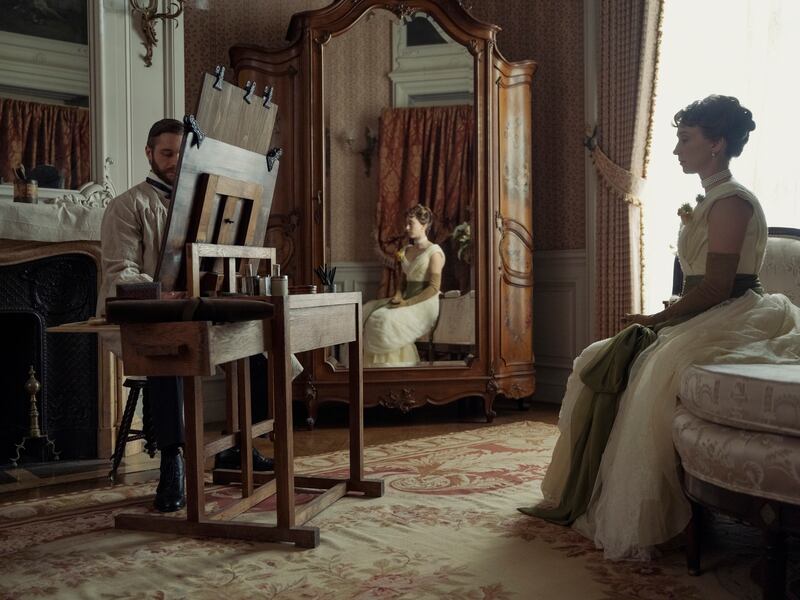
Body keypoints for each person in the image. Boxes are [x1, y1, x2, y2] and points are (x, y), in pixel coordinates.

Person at [519, 95, 800, 560]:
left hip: (734, 310)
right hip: (710, 309)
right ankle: (587, 489)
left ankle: (645, 510)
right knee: (597, 358)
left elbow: (717, 287)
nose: (676, 150)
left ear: (717, 144)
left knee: (647, 368)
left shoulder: (731, 202)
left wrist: (656, 320)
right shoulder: (711, 198)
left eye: (685, 139)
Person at [98, 118, 275, 513]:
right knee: (168, 353)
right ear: (149, 153)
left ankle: (238, 446)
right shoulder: (127, 205)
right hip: (149, 315)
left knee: (256, 343)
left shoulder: (206, 203)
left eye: (181, 154)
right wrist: (164, 294)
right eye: (166, 153)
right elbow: (119, 272)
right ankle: (172, 461)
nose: (175, 161)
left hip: (198, 310)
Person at [363, 204, 445, 366]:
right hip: (406, 298)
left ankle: (395, 367)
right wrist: (398, 296)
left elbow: (434, 288)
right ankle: (374, 369)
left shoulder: (434, 252)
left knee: (385, 320)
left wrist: (407, 303)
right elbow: (402, 282)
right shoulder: (407, 250)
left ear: (424, 225)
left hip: (424, 303)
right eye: (406, 223)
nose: (406, 228)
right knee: (368, 312)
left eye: (411, 224)